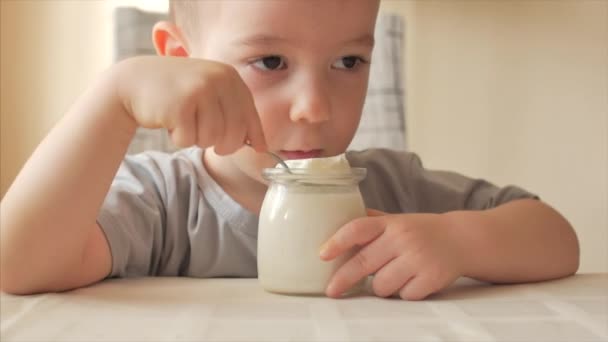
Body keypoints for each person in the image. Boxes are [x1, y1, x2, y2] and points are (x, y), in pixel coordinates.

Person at [0, 0, 579, 299]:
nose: (316, 107)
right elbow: (16, 264)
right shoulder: (162, 202)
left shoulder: (393, 191)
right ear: (180, 61)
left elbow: (555, 237)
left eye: (348, 62)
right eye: (271, 63)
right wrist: (115, 97)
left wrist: (456, 241)